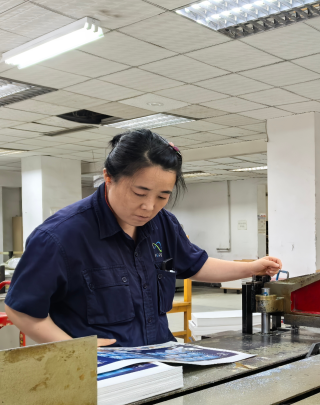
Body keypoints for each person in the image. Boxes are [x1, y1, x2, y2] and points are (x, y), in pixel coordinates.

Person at [5, 129, 282, 347]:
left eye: (162, 196)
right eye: (140, 193)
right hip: (101, 372)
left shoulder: (162, 223)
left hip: (160, 360)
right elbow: (21, 310)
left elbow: (195, 264)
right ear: (109, 177)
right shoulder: (60, 237)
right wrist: (75, 350)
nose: (149, 207)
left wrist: (252, 267)